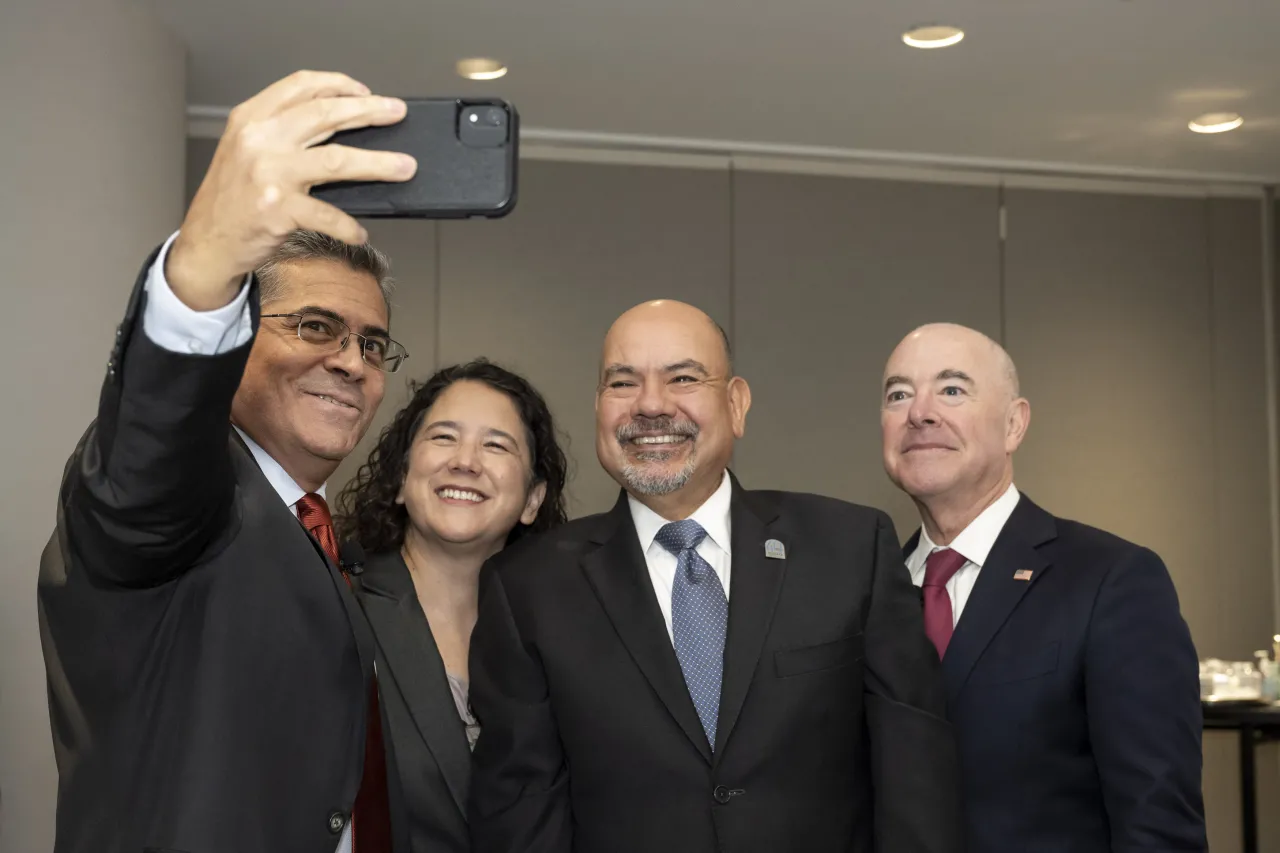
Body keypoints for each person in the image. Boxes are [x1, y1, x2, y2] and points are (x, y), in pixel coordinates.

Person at [37, 70, 423, 853]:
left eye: (371, 343)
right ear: (238, 337)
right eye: (316, 326)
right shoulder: (181, 494)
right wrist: (204, 270)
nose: (352, 362)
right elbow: (146, 453)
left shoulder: (325, 541)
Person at [466, 299, 961, 853]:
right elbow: (521, 813)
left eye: (683, 377)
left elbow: (915, 778)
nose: (651, 405)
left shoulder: (850, 548)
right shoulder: (528, 587)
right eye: (622, 383)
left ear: (737, 404)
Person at [880, 322, 1207, 853]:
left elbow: (1157, 823)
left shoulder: (1111, 581)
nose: (919, 412)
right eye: (898, 394)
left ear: (1014, 425)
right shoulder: (869, 592)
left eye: (952, 389)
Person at [334, 359, 569, 853]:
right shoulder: (338, 608)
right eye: (444, 437)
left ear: (533, 498)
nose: (465, 461)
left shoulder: (567, 635)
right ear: (401, 478)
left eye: (496, 445)